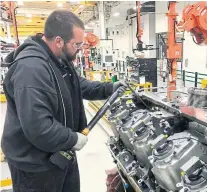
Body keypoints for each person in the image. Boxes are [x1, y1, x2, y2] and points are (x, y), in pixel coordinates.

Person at [1, 10, 125, 192]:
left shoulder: (58, 59)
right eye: (77, 44)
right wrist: (72, 138)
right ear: (59, 41)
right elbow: (39, 127)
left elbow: (77, 85)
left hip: (60, 154)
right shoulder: (31, 69)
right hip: (36, 166)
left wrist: (108, 88)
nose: (80, 49)